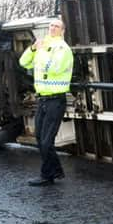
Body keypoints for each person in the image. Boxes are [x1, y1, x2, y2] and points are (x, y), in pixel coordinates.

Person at [19, 19, 73, 186]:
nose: (52, 28)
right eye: (51, 26)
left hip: (55, 100)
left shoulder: (62, 48)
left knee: (46, 141)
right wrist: (33, 48)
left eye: (56, 26)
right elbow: (23, 62)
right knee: (39, 137)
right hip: (42, 99)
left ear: (62, 30)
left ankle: (47, 175)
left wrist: (41, 52)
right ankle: (56, 170)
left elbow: (53, 67)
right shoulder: (43, 46)